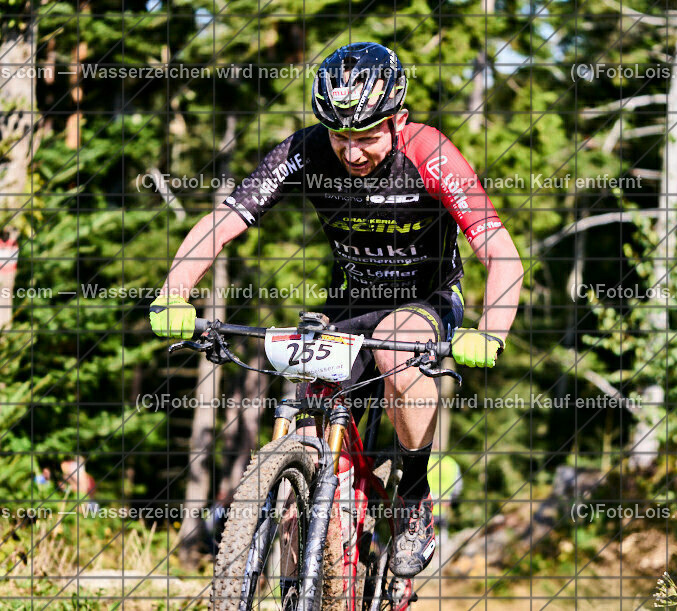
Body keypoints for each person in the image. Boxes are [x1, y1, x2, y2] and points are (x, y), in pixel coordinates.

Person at [149, 42, 523, 577]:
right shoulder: (305, 150)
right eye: (339, 136)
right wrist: (175, 288)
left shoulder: (429, 152)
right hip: (351, 303)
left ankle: (414, 497)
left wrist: (491, 330)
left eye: (367, 137)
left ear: (399, 120)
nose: (351, 153)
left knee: (397, 348)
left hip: (426, 299)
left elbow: (502, 254)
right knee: (308, 395)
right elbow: (225, 220)